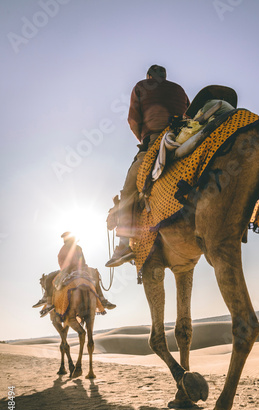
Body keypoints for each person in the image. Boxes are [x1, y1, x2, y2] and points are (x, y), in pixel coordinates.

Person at [105, 65, 190, 267]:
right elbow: (189, 113)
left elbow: (133, 120)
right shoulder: (179, 89)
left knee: (128, 190)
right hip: (184, 138)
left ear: (150, 76)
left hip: (155, 141)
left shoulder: (141, 86)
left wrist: (144, 139)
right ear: (166, 77)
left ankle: (124, 245)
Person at [33, 232, 115, 316]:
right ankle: (102, 299)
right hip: (74, 268)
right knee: (94, 273)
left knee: (49, 277)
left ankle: (48, 301)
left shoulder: (68, 248)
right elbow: (79, 260)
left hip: (71, 269)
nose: (64, 240)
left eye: (65, 238)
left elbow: (62, 260)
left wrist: (72, 267)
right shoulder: (76, 248)